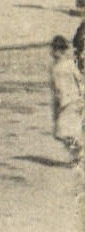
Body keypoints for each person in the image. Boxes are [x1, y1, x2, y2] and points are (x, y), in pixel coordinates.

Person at [47, 35, 82, 163]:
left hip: (72, 101)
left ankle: (78, 153)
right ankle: (77, 153)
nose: (52, 52)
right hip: (62, 102)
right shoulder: (53, 67)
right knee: (59, 133)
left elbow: (80, 80)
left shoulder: (70, 64)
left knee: (63, 132)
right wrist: (54, 108)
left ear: (61, 50)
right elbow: (54, 88)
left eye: (55, 50)